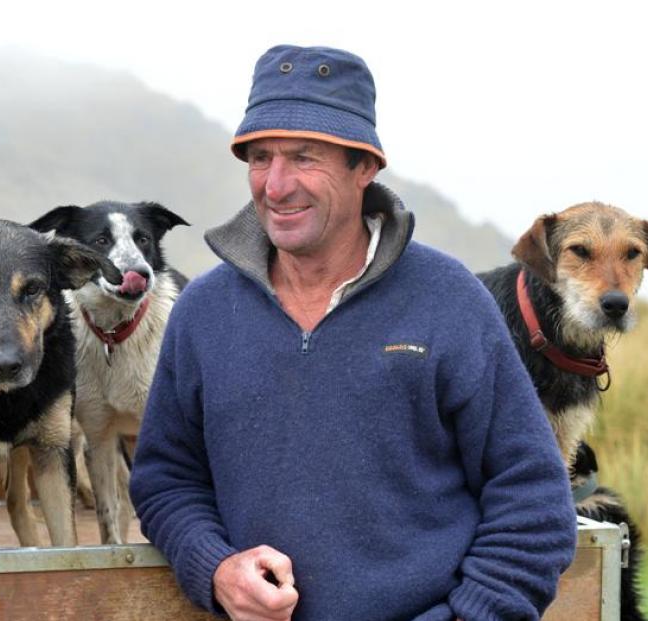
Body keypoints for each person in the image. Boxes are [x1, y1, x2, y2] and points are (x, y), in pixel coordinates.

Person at [130, 44, 578, 621]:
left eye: (305, 157)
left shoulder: (448, 301)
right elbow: (167, 479)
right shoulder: (204, 311)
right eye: (260, 158)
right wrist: (216, 568)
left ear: (364, 167)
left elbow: (534, 501)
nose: (276, 185)